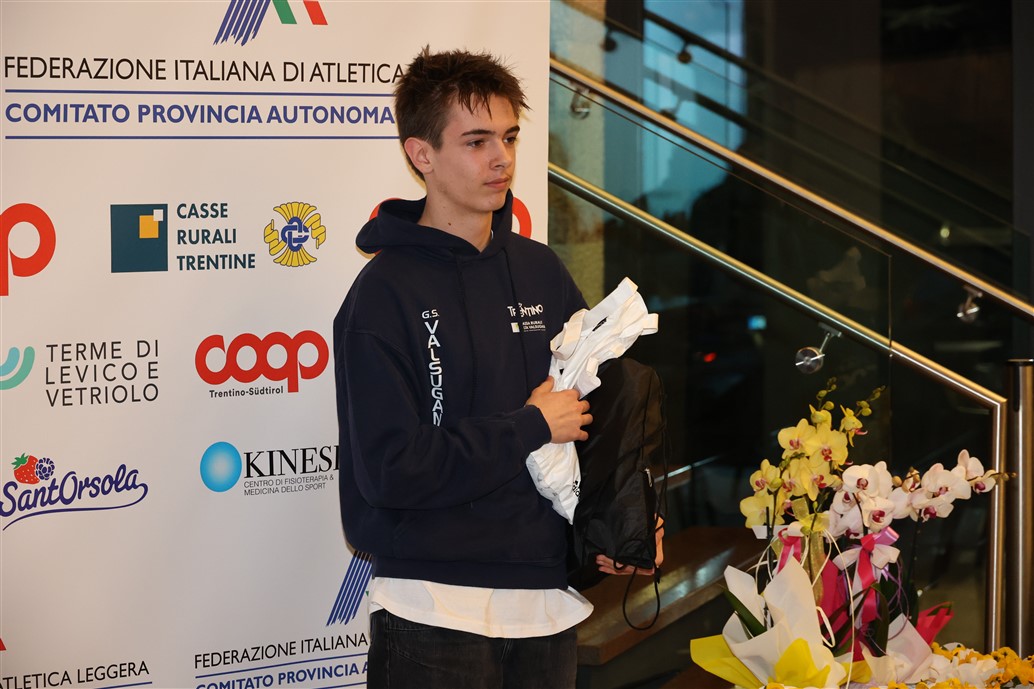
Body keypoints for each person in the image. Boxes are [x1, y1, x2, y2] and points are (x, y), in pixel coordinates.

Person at [333, 47, 661, 689]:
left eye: (509, 137)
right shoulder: (382, 294)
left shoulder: (540, 269)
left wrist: (626, 518)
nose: (501, 158)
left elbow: (598, 407)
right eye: (477, 141)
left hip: (544, 601)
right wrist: (528, 426)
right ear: (422, 155)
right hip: (432, 606)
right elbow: (390, 470)